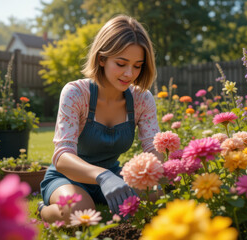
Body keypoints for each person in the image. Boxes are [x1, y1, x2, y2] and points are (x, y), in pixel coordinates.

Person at [39, 15, 163, 223]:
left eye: (138, 65)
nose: (129, 74)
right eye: (121, 63)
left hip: (114, 176)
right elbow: (61, 157)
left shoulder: (142, 99)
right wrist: (102, 177)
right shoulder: (76, 93)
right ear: (101, 58)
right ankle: (44, 210)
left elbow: (153, 148)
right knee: (79, 212)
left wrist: (161, 170)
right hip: (67, 178)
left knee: (156, 195)